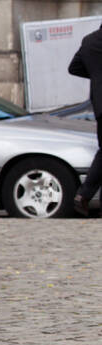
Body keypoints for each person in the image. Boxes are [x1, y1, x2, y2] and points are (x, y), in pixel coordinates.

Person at [69, 25, 102, 216]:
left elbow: (74, 67)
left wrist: (97, 77)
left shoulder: (90, 40)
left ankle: (84, 195)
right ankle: (84, 194)